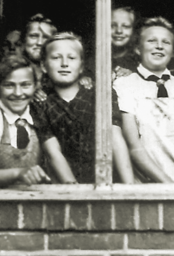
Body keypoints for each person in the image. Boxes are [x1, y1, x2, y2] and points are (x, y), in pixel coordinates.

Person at [114, 17, 174, 183]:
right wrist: (168, 184)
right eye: (151, 41)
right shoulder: (123, 84)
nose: (159, 46)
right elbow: (134, 146)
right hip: (152, 183)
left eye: (166, 42)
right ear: (138, 48)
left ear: (173, 51)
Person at [35, 32, 134, 184]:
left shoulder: (100, 94)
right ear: (43, 66)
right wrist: (74, 191)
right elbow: (53, 152)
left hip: (106, 182)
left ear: (81, 66)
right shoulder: (41, 102)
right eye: (56, 57)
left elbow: (115, 138)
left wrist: (129, 186)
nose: (64, 64)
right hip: (65, 186)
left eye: (72, 58)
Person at [0, 55, 51, 188]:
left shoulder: (37, 115)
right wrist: (18, 174)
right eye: (9, 85)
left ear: (35, 86)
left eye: (25, 85)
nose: (18, 93)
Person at [111, 6, 139, 78]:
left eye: (126, 26)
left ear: (133, 30)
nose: (119, 31)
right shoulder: (92, 61)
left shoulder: (140, 61)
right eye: (112, 25)